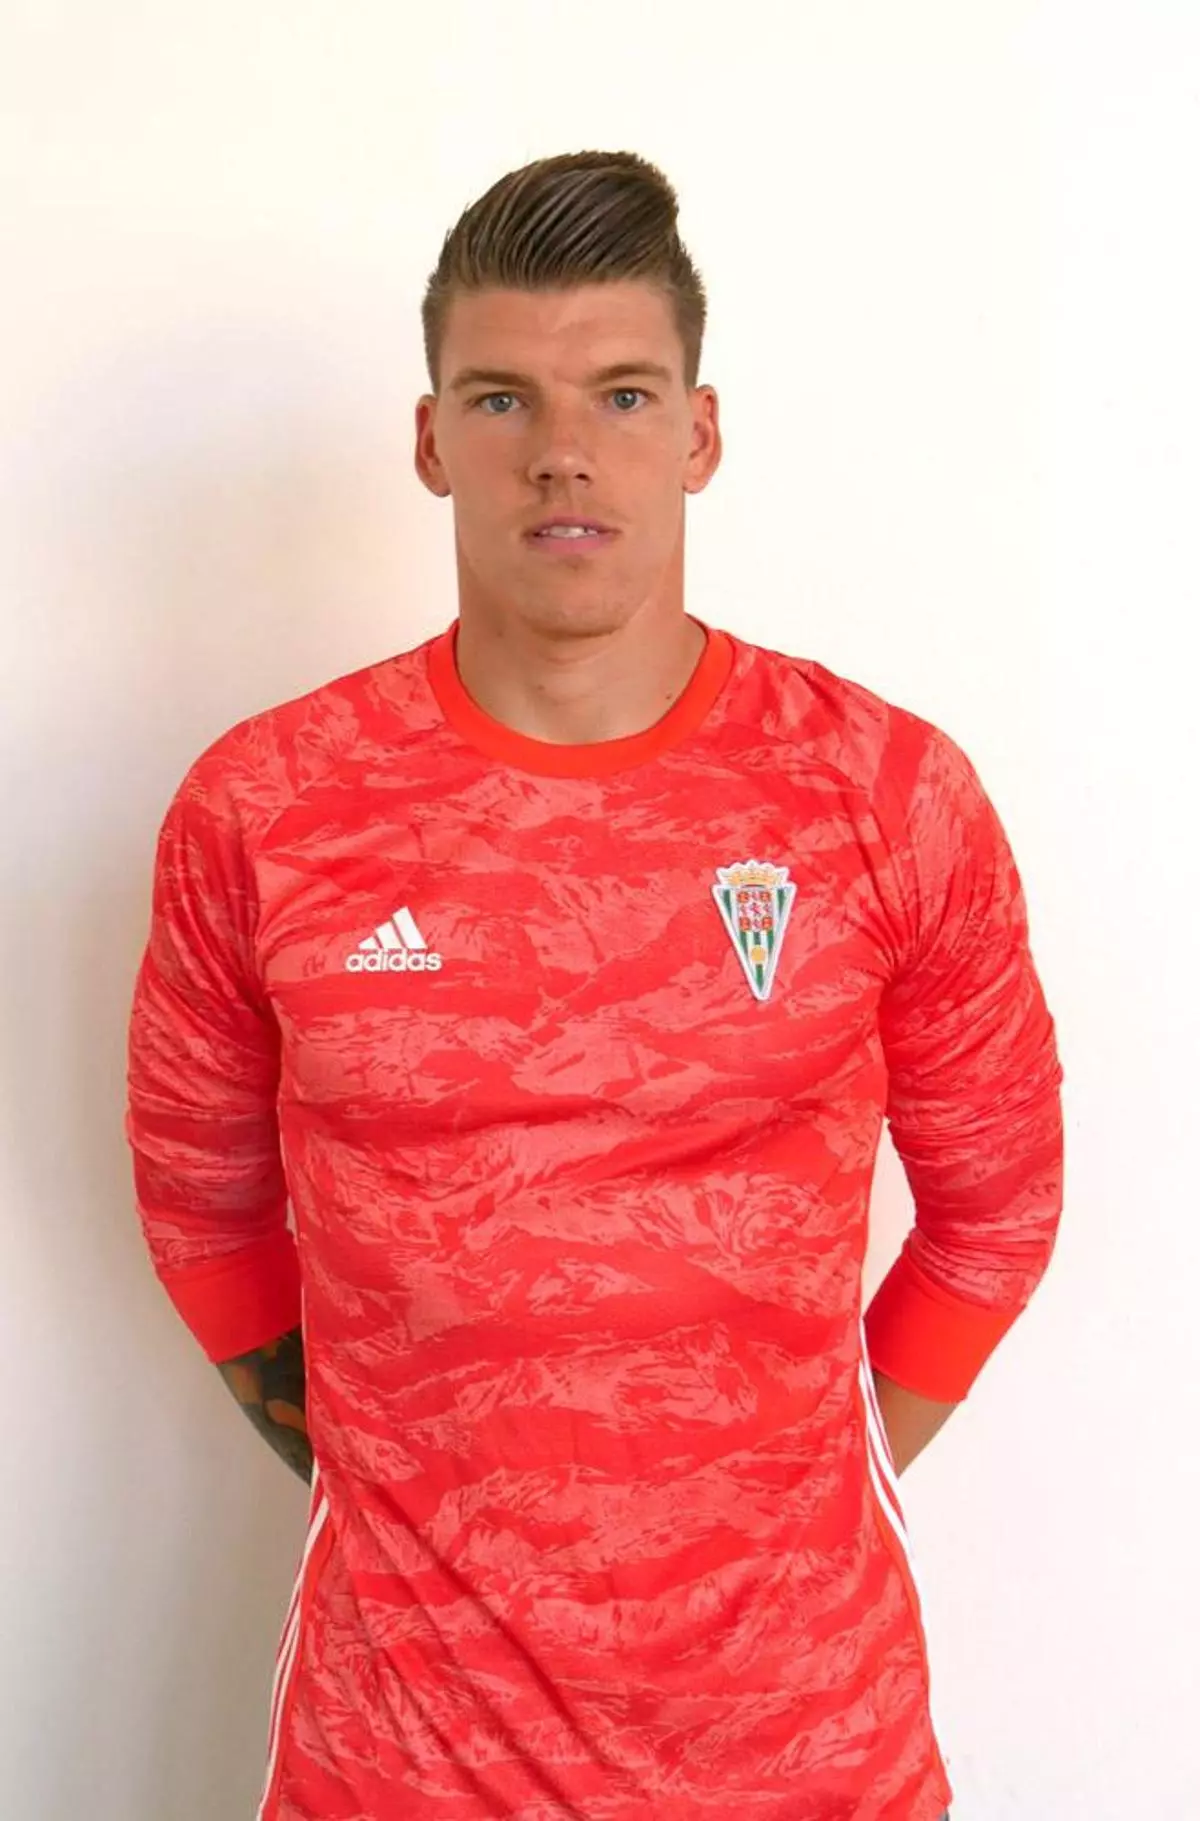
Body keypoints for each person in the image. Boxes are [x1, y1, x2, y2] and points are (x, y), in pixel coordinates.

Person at [124, 148, 1061, 1821]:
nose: (563, 448)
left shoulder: (886, 795)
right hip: (400, 1760)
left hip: (806, 1754)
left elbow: (999, 1206)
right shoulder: (266, 808)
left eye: (622, 395)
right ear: (431, 440)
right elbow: (201, 1203)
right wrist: (398, 1486)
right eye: (502, 399)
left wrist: (795, 1482)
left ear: (700, 432)